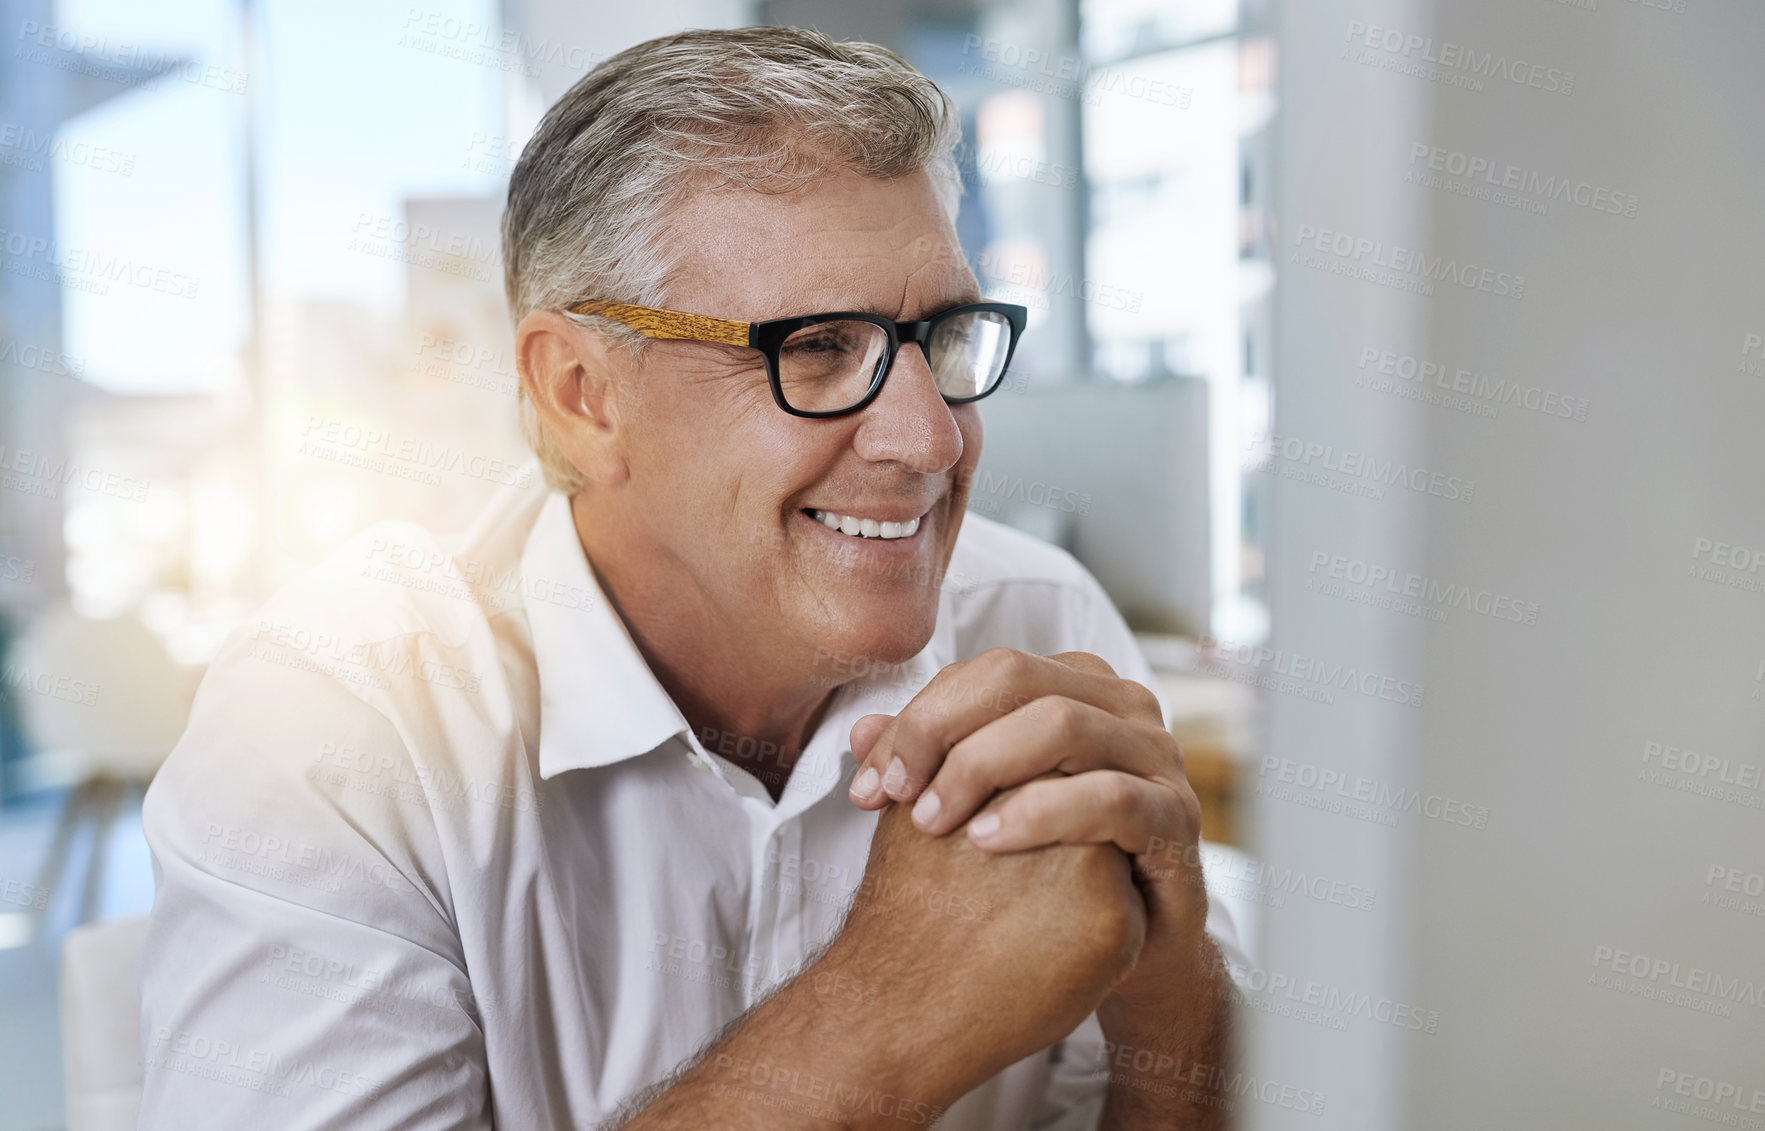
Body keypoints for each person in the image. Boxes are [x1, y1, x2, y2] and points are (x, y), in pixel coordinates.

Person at [138, 26, 1246, 1129]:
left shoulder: (1039, 623)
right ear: (582, 390)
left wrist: (1172, 1002)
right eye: (817, 347)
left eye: (944, 335)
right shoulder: (336, 718)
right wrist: (886, 1013)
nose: (931, 440)